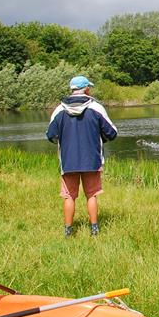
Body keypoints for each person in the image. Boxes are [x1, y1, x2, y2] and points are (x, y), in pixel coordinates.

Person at [46, 76, 118, 237]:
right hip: (91, 159)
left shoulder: (59, 110)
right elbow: (112, 133)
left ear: (72, 89)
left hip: (68, 160)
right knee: (91, 194)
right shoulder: (96, 108)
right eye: (89, 88)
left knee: (69, 196)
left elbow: (50, 135)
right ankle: (94, 229)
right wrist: (99, 138)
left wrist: (64, 141)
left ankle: (68, 231)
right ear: (86, 89)